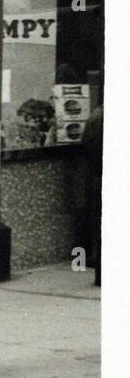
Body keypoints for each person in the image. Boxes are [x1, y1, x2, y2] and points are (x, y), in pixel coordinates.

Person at [81, 104, 102, 287]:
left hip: (98, 176)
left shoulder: (96, 116)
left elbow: (87, 145)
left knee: (101, 228)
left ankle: (101, 275)